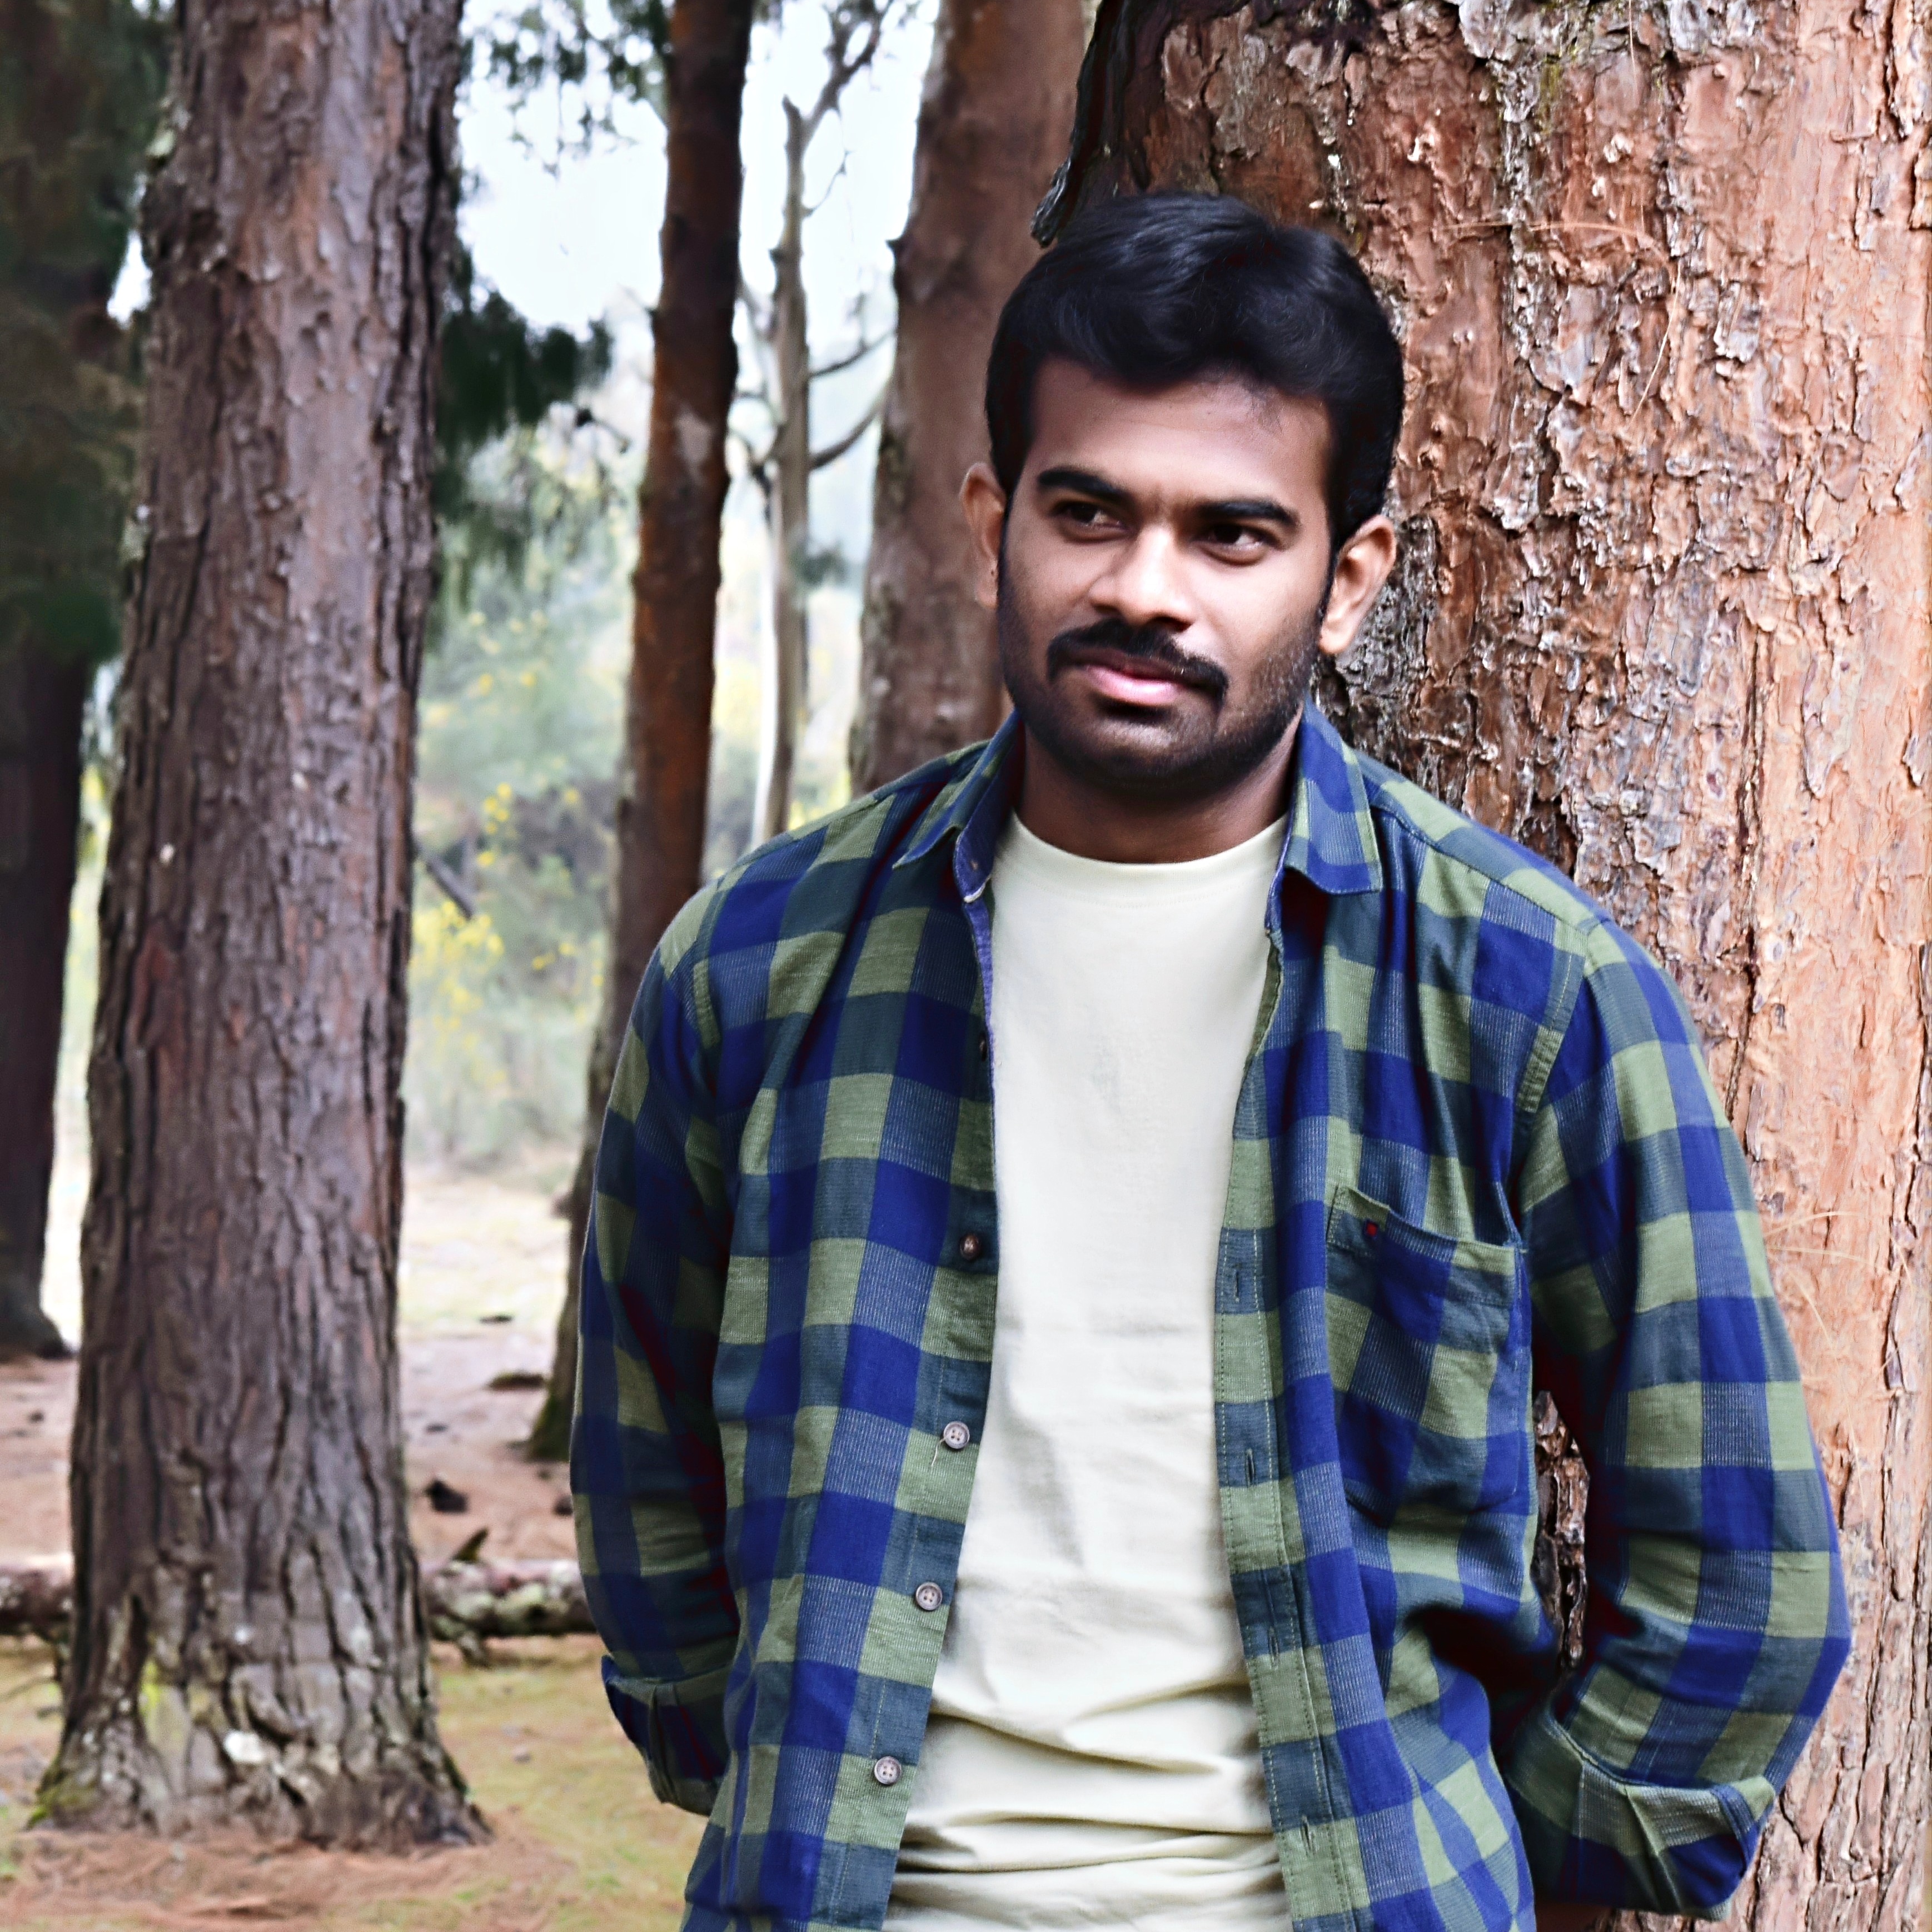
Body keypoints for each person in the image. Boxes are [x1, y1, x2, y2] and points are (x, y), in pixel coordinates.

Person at [572, 193, 1849, 1932]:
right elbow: (642, 1470)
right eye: (1086, 510)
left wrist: (1481, 1862)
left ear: (1346, 580)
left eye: (1231, 534)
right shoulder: (757, 965)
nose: (1143, 588)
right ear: (992, 522)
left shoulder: (1524, 992)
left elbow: (1737, 1558)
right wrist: (769, 1777)